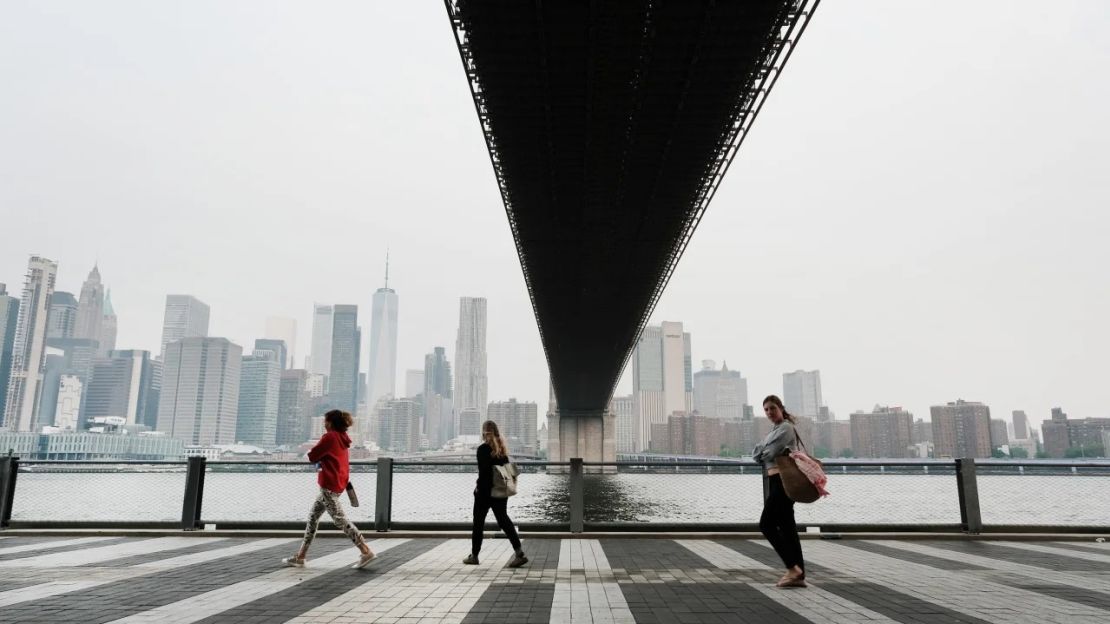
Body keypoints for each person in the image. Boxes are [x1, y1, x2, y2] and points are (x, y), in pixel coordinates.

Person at [282, 409, 376, 569]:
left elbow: (312, 456)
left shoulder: (330, 437)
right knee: (313, 518)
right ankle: (300, 557)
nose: (324, 424)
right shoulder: (342, 439)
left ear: (331, 422)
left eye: (325, 421)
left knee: (339, 519)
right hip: (338, 484)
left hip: (329, 485)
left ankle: (366, 551)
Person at [752, 395, 806, 588]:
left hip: (783, 481)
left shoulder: (785, 428)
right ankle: (799, 575)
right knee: (787, 527)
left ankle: (792, 568)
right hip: (776, 480)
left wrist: (762, 450)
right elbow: (756, 454)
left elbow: (768, 453)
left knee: (766, 524)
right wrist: (762, 450)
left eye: (772, 408)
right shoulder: (774, 430)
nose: (769, 413)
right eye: (766, 410)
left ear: (781, 408)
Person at [463, 420, 528, 567]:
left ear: (484, 432)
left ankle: (474, 556)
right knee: (504, 520)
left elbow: (484, 473)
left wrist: (478, 489)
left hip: (485, 493)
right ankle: (519, 552)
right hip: (500, 491)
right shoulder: (502, 451)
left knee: (478, 523)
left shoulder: (482, 450)